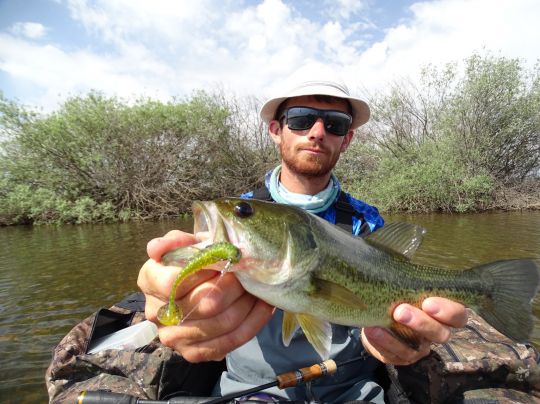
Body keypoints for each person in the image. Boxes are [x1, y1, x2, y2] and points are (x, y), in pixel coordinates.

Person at [45, 68, 468, 403]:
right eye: (301, 119)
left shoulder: (366, 223)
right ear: (275, 129)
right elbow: (174, 292)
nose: (317, 132)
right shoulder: (240, 218)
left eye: (334, 124)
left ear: (347, 139)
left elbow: (378, 319)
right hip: (249, 390)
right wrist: (169, 305)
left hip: (354, 390)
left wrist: (402, 345)